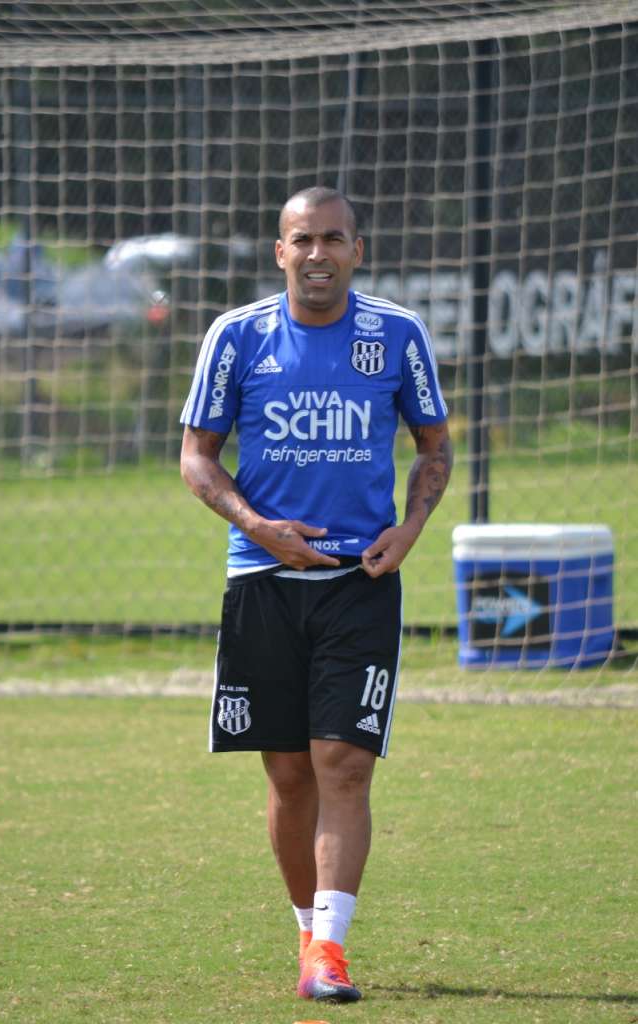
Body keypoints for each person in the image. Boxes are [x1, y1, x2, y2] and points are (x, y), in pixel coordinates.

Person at [180, 185, 452, 1003]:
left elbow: (434, 446)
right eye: (302, 240)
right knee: (291, 774)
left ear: (357, 251)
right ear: (280, 252)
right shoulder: (236, 337)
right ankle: (308, 930)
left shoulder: (397, 334)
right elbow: (197, 458)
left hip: (359, 582)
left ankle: (330, 951)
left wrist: (410, 528)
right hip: (263, 581)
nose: (318, 254)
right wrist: (259, 527)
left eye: (333, 239)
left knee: (344, 765)